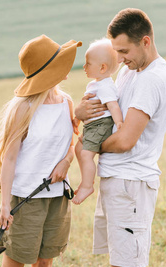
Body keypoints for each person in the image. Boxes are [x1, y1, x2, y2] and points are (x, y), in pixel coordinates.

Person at [75, 8, 166, 267]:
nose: (119, 59)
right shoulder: (132, 72)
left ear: (145, 41)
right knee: (131, 266)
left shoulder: (150, 79)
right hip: (120, 180)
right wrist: (81, 113)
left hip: (130, 182)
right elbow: (106, 114)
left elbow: (125, 140)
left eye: (123, 50)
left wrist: (89, 145)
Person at [0, 34, 81, 267]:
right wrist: (5, 204)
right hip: (26, 199)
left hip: (56, 198)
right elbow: (8, 159)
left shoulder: (66, 103)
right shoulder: (23, 108)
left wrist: (66, 162)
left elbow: (71, 143)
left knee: (44, 265)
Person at [72, 38, 122, 205]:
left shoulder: (105, 86)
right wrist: (77, 119)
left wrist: (120, 123)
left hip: (101, 125)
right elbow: (86, 106)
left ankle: (87, 186)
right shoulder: (96, 84)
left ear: (102, 67)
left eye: (88, 63)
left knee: (86, 154)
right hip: (93, 125)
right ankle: (85, 180)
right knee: (78, 148)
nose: (84, 67)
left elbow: (113, 106)